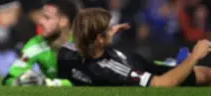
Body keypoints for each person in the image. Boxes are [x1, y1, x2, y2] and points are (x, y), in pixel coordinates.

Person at [58, 8, 211, 87]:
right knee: (205, 74)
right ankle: (173, 65)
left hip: (134, 60)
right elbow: (161, 84)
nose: (113, 29)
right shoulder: (110, 68)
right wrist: (195, 56)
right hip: (146, 70)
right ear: (99, 39)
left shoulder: (67, 51)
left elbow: (82, 32)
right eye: (109, 29)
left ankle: (171, 63)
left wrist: (107, 32)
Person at [2, 0, 78, 86]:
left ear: (63, 22)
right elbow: (9, 78)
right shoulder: (36, 45)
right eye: (41, 17)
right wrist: (21, 82)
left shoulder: (84, 44)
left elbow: (89, 79)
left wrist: (47, 83)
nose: (40, 21)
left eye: (47, 18)